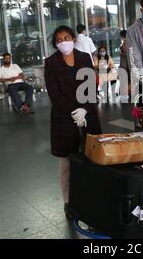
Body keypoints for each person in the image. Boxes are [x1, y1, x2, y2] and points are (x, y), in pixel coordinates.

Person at [44, 25, 102, 220]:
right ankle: (69, 202)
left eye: (66, 37)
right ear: (55, 43)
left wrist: (85, 108)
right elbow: (54, 93)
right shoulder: (50, 63)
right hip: (64, 118)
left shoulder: (85, 58)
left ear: (73, 38)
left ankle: (92, 196)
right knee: (67, 163)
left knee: (92, 157)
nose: (63, 42)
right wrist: (73, 111)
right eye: (59, 40)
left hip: (89, 116)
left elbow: (92, 87)